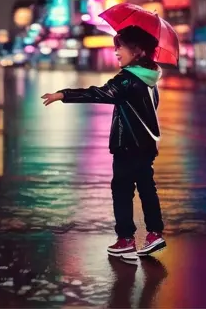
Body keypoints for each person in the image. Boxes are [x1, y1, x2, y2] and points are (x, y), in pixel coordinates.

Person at [41, 26, 166, 259]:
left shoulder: (128, 78)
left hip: (127, 144)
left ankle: (126, 240)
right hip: (146, 144)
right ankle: (154, 233)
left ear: (136, 51)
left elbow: (99, 93)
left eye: (121, 47)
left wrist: (64, 94)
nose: (116, 51)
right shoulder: (150, 77)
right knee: (146, 187)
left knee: (122, 190)